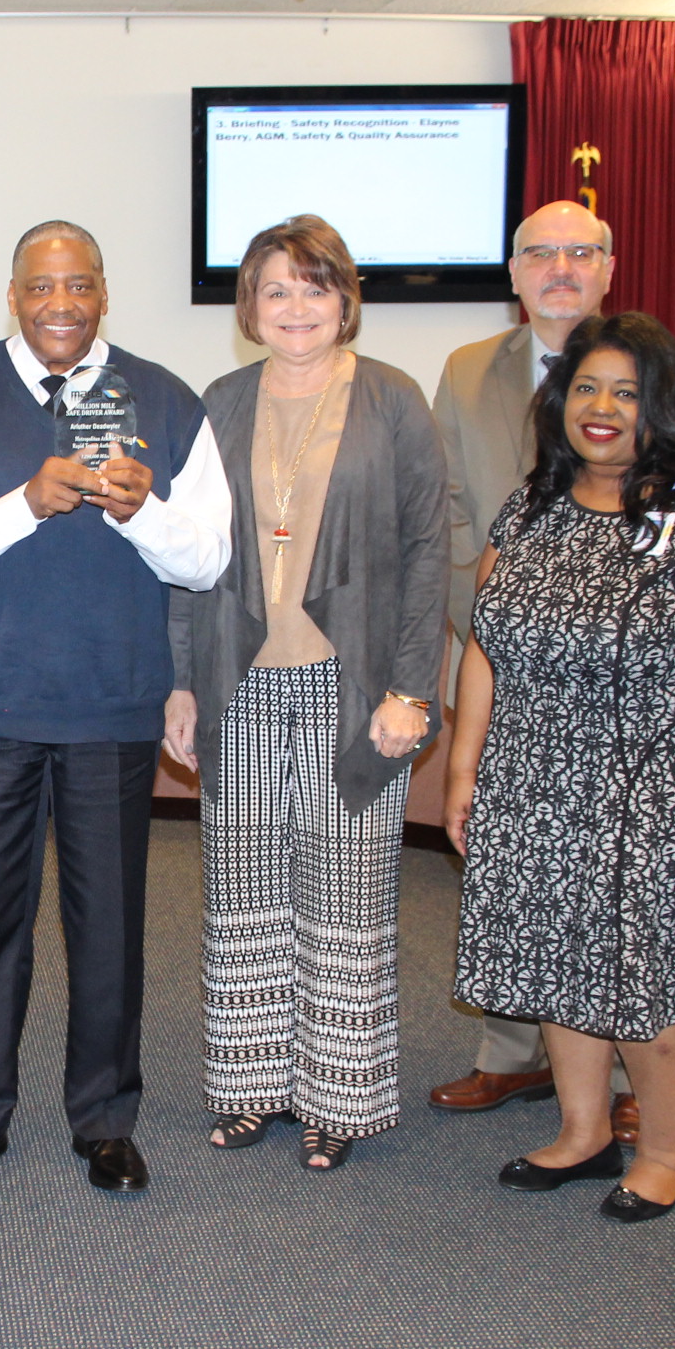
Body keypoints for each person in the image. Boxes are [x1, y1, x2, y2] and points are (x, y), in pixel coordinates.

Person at [0, 219, 230, 1198]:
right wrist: (23, 504)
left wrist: (144, 512)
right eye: (42, 288)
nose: (61, 306)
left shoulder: (165, 399)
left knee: (109, 925)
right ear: (13, 294)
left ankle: (105, 1119)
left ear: (104, 293)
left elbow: (209, 557)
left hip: (111, 705)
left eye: (79, 286)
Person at [443, 310, 675, 1223]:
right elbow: (486, 646)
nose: (602, 409)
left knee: (650, 978)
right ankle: (584, 1131)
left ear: (663, 409)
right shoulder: (534, 506)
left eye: (627, 393)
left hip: (652, 795)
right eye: (586, 388)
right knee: (558, 960)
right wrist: (465, 772)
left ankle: (668, 1149)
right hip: (534, 786)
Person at [165, 215, 448, 1171]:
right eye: (276, 289)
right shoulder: (219, 403)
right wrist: (180, 681)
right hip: (238, 679)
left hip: (356, 684)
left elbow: (425, 553)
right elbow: (189, 558)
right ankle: (252, 1086)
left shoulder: (395, 399)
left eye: (314, 288)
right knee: (242, 890)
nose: (295, 308)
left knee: (346, 892)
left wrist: (414, 687)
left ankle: (340, 1098)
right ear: (250, 306)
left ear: (345, 301)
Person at [427, 200, 675, 1143]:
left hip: (623, 679)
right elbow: (450, 508)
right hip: (501, 655)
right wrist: (487, 625)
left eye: (581, 252)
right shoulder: (467, 372)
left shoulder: (670, 369)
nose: (560, 268)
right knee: (512, 862)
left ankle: (629, 1073)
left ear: (610, 269)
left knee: (622, 876)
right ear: (513, 273)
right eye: (540, 253)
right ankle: (513, 1057)